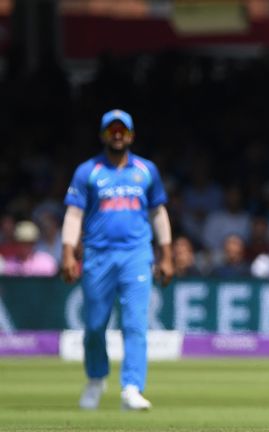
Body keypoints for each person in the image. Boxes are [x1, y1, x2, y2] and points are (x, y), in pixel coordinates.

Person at [60, 109, 174, 411]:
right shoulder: (88, 171)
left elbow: (158, 212)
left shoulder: (146, 170)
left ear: (132, 135)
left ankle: (132, 388)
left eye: (123, 130)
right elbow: (74, 214)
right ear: (103, 135)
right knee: (95, 325)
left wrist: (166, 254)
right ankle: (96, 379)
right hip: (98, 255)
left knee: (135, 323)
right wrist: (68, 252)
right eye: (112, 130)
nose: (118, 134)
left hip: (136, 254)